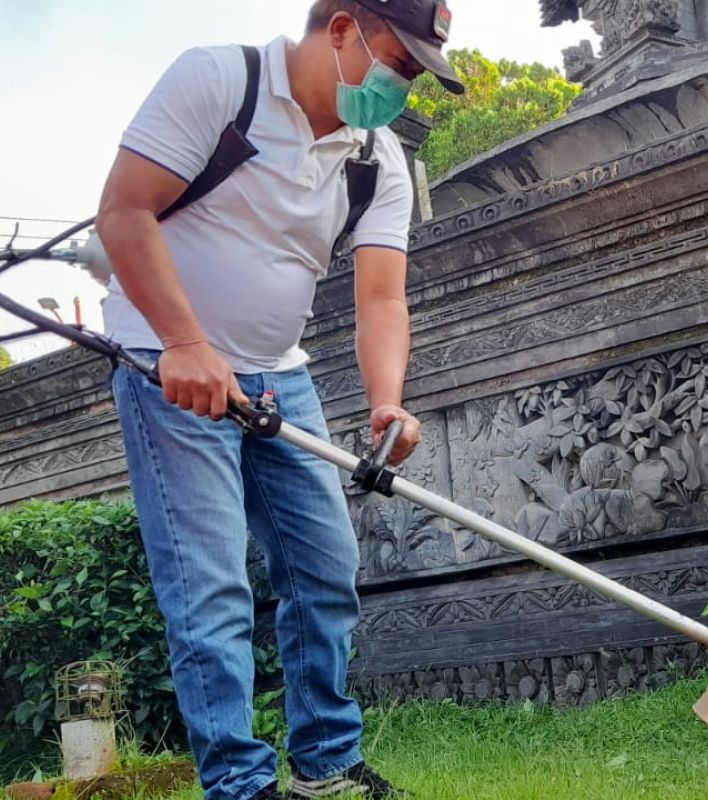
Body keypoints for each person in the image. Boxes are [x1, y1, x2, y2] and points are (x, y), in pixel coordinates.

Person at [95, 2, 464, 799]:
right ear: (341, 29)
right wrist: (186, 344)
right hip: (170, 365)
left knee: (327, 569)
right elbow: (124, 213)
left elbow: (380, 299)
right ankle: (238, 783)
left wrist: (387, 400)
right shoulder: (219, 81)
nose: (403, 87)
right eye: (399, 63)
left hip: (278, 374)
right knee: (210, 585)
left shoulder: (378, 158)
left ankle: (327, 766)